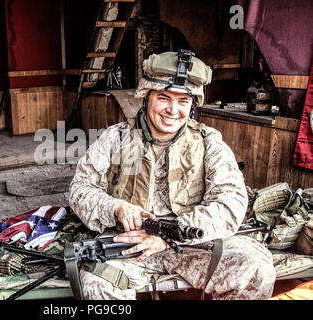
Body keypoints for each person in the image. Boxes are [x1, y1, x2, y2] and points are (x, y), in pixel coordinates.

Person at [68, 50, 276, 300]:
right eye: (164, 98)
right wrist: (116, 207)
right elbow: (80, 190)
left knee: (255, 269)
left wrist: (171, 233)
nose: (172, 110)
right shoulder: (116, 138)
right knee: (97, 284)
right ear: (146, 97)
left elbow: (230, 203)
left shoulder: (209, 142)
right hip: (128, 243)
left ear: (192, 105)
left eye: (183, 101)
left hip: (191, 241)